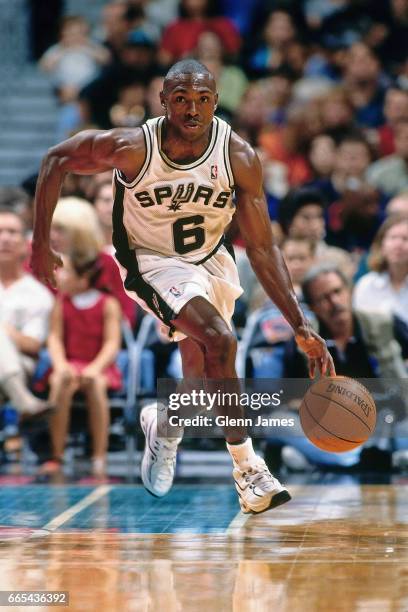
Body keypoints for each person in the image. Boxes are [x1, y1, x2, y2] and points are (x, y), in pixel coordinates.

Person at [30, 59, 334, 515]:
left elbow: (263, 246)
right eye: (181, 100)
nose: (192, 110)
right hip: (149, 260)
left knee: (202, 371)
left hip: (210, 259)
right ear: (163, 102)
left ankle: (167, 422)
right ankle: (248, 469)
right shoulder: (133, 146)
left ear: (215, 101)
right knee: (219, 338)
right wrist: (39, 242)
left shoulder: (238, 156)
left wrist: (299, 323)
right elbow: (56, 158)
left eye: (203, 100)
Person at [44, 252, 122, 477]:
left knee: (96, 384)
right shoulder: (62, 302)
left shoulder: (108, 304)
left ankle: (99, 455)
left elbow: (111, 343)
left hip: (99, 367)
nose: (59, 274)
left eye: (65, 270)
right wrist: (60, 364)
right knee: (59, 382)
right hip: (70, 364)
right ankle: (56, 455)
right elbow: (55, 338)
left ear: (84, 277)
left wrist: (95, 368)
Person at [0, 208, 54, 416]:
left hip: (21, 364)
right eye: (0, 231)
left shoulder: (38, 294)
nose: (5, 238)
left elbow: (33, 345)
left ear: (25, 245)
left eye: (12, 232)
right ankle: (23, 403)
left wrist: (5, 332)